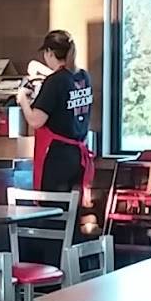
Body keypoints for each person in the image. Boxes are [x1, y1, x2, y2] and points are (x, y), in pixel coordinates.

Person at [18, 30, 94, 195]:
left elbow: (36, 121)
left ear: (49, 52)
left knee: (53, 206)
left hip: (57, 158)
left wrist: (23, 99)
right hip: (77, 156)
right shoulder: (83, 77)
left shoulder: (55, 82)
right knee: (72, 206)